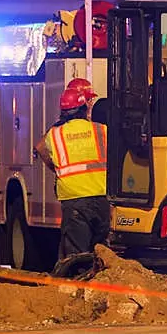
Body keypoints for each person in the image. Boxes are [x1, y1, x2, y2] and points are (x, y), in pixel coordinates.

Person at [35, 88, 109, 260]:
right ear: (84, 108)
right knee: (101, 252)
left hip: (73, 199)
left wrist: (58, 170)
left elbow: (42, 151)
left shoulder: (54, 135)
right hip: (101, 197)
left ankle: (78, 285)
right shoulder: (101, 130)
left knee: (77, 255)